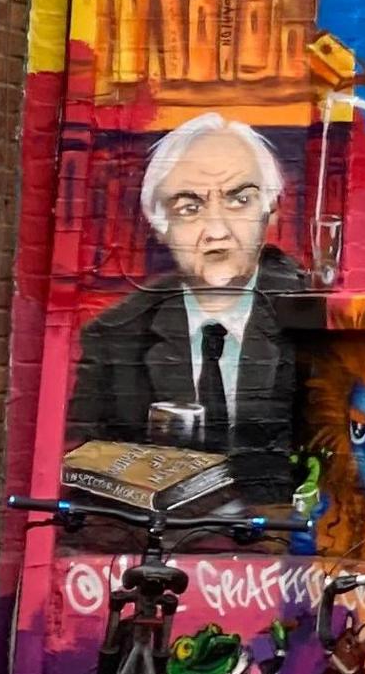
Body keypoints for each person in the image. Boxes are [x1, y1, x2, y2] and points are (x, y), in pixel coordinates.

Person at [73, 113, 315, 506]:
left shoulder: (314, 326)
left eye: (240, 200)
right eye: (189, 208)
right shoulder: (115, 337)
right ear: (158, 224)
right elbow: (91, 484)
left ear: (271, 209)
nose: (217, 229)